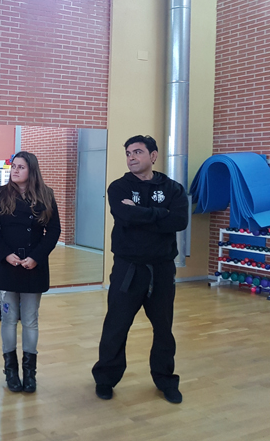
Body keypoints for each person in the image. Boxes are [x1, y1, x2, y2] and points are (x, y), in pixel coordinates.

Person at [92, 135, 189, 404]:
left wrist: (141, 213)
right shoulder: (119, 187)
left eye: (137, 152)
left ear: (153, 156)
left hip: (162, 270)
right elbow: (125, 216)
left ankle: (166, 380)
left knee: (164, 329)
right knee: (116, 326)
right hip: (128, 269)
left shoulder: (173, 189)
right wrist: (160, 214)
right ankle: (105, 379)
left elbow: (179, 221)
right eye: (128, 153)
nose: (131, 157)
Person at [0, 151, 61, 393]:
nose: (15, 171)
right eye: (14, 166)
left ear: (32, 170)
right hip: (7, 265)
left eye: (21, 167)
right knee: (8, 319)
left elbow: (54, 231)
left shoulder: (46, 195)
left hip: (33, 267)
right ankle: (11, 371)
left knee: (30, 320)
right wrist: (5, 254)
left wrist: (37, 257)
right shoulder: (1, 194)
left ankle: (30, 373)